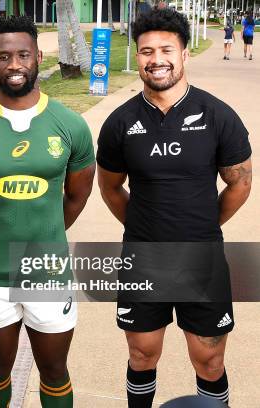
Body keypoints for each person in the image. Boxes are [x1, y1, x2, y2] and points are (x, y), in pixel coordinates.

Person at [97, 8, 251, 407]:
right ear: (138, 57)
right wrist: (145, 227)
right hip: (143, 258)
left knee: (210, 361)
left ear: (184, 54)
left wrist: (202, 224)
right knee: (142, 355)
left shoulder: (218, 115)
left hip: (202, 259)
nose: (156, 59)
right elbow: (111, 188)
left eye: (166, 49)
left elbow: (240, 183)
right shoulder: (120, 122)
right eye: (146, 51)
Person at [0, 15, 95, 408]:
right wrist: (0, 233)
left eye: (23, 55)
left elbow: (77, 197)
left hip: (46, 271)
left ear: (37, 57)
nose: (15, 64)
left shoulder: (69, 125)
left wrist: (43, 232)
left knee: (55, 372)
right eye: (4, 56)